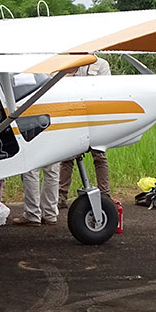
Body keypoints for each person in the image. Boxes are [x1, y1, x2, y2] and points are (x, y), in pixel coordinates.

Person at [58, 55, 112, 208]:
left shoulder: (102, 64)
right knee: (67, 156)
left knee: (99, 155)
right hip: (73, 115)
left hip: (95, 116)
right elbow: (58, 88)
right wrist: (68, 75)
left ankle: (105, 195)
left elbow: (106, 90)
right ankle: (61, 197)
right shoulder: (68, 64)